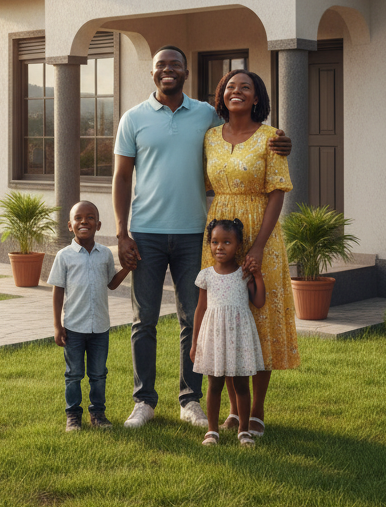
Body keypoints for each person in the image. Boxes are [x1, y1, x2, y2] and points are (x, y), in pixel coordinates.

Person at [113, 45, 291, 429]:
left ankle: (190, 399)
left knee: (195, 319)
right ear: (152, 73)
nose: (168, 70)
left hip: (199, 233)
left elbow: (247, 132)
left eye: (175, 64)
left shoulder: (207, 117)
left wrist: (283, 142)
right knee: (143, 319)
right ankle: (143, 401)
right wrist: (121, 232)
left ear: (186, 71)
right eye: (161, 65)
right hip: (146, 232)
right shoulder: (134, 119)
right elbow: (122, 176)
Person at [202, 68, 300, 438]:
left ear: (257, 97)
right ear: (221, 96)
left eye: (246, 87)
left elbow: (278, 191)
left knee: (259, 319)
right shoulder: (210, 137)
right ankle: (232, 408)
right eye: (230, 87)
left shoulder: (271, 138)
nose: (237, 91)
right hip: (219, 234)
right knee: (225, 318)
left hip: (262, 231)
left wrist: (257, 245)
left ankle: (255, 411)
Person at [50, 200, 134, 432]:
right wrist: (57, 326)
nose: (83, 221)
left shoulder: (105, 254)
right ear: (70, 225)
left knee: (98, 374)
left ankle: (98, 414)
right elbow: (58, 293)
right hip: (74, 328)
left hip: (100, 328)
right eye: (78, 218)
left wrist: (127, 268)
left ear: (98, 224)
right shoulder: (64, 256)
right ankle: (73, 416)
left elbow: (112, 284)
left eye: (89, 218)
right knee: (74, 374)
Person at [189, 218, 266, 447]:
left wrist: (258, 275)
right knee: (214, 385)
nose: (219, 247)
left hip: (239, 338)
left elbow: (259, 301)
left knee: (242, 385)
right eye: (214, 242)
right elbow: (200, 309)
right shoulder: (206, 275)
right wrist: (195, 343)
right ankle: (212, 431)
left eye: (226, 242)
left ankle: (244, 431)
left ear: (238, 245)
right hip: (214, 338)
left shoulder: (244, 273)